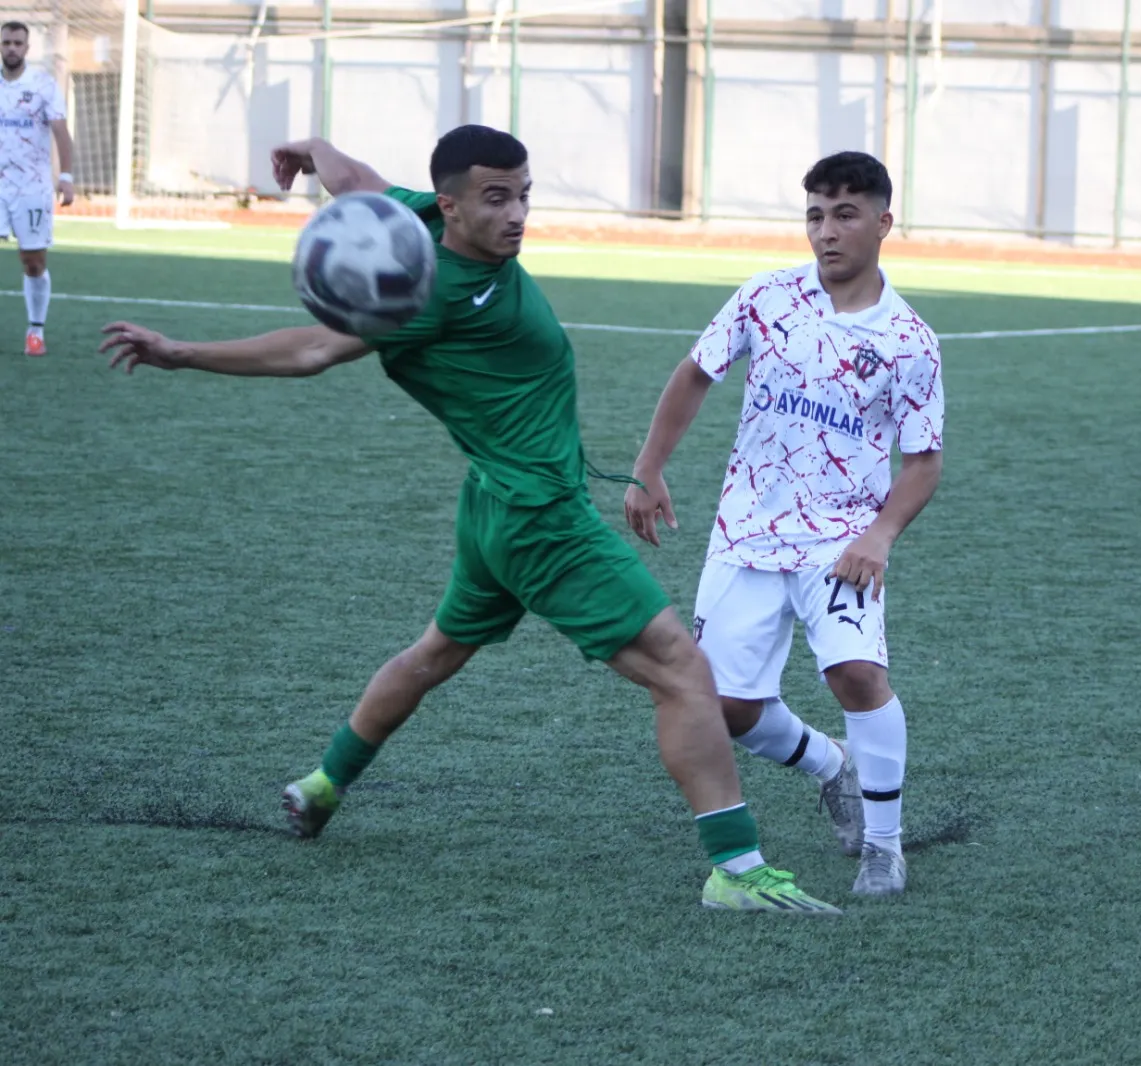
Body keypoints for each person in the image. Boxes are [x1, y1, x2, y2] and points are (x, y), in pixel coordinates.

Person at [99, 126, 839, 914]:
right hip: (540, 522)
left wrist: (316, 149)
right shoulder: (427, 293)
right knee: (682, 671)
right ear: (453, 207)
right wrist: (181, 353)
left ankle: (321, 785)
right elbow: (311, 351)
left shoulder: (417, 223)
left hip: (493, 506)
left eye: (523, 194)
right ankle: (736, 868)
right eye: (497, 198)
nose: (517, 213)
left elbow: (362, 186)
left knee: (434, 654)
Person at [624, 151, 944, 897]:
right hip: (746, 532)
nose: (826, 232)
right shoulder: (766, 296)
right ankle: (829, 765)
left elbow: (923, 462)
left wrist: (879, 536)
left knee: (857, 674)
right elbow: (696, 372)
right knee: (727, 708)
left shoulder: (910, 340)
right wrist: (649, 466)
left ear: (883, 222)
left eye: (845, 215)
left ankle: (884, 847)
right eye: (814, 216)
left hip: (840, 540)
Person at [0, 20, 74, 356]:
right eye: (6, 43)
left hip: (31, 188)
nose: (11, 48)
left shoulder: (42, 84)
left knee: (33, 262)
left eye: (17, 43)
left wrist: (67, 176)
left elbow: (60, 131)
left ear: (27, 48)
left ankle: (36, 331)